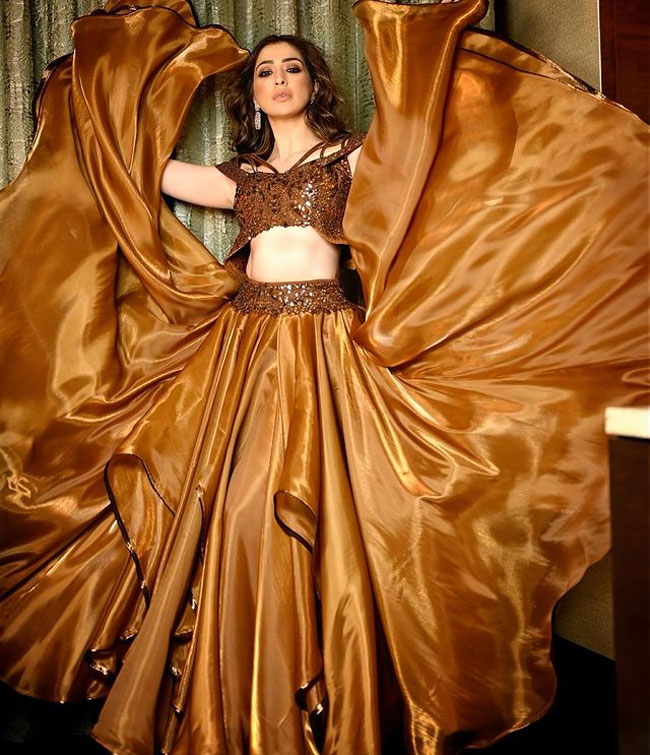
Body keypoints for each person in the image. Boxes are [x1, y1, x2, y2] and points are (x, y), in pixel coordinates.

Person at [0, 1, 647, 754]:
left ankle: (329, 678)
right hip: (242, 345)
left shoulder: (351, 159)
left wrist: (433, 56)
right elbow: (129, 169)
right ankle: (234, 678)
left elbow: (431, 142)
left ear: (314, 83)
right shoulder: (236, 177)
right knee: (237, 505)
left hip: (328, 342)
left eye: (292, 67)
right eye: (266, 71)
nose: (278, 79)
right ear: (253, 92)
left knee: (333, 504)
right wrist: (94, 93)